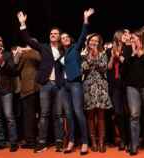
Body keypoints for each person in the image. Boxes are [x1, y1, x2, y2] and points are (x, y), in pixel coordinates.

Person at [17, 11, 65, 153]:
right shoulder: (43, 47)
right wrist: (22, 24)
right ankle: (42, 142)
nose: (52, 35)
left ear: (60, 37)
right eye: (51, 33)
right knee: (44, 114)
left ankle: (59, 141)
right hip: (45, 84)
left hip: (58, 85)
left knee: (57, 115)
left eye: (55, 33)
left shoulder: (64, 50)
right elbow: (28, 40)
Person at [58, 8, 94, 155]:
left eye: (67, 37)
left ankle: (85, 142)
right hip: (64, 86)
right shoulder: (60, 53)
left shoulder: (75, 48)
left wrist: (85, 19)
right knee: (68, 114)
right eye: (62, 37)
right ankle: (71, 141)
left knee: (79, 112)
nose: (65, 38)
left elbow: (83, 34)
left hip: (75, 83)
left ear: (70, 39)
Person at [81, 33, 112, 153]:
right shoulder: (83, 54)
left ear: (99, 43)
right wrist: (89, 57)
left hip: (101, 86)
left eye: (96, 41)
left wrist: (96, 56)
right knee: (90, 116)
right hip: (88, 86)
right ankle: (93, 142)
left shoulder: (103, 53)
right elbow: (83, 68)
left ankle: (101, 142)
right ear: (88, 42)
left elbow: (104, 68)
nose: (93, 42)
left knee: (101, 116)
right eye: (91, 40)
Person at [12, 45, 41, 149]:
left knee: (29, 116)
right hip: (34, 88)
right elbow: (15, 69)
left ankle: (31, 141)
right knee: (33, 116)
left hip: (30, 89)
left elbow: (16, 68)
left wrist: (20, 54)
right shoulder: (35, 53)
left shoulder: (31, 53)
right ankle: (36, 139)